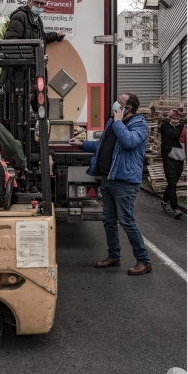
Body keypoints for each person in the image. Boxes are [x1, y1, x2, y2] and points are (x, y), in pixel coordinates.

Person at [69, 93, 152, 275]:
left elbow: (129, 142)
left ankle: (143, 261)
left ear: (128, 108)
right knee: (109, 221)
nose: (115, 104)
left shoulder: (139, 124)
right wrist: (82, 144)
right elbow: (102, 145)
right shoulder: (113, 122)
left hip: (125, 181)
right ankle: (114, 256)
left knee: (127, 221)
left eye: (120, 103)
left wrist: (118, 122)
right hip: (108, 178)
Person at [160, 109, 187, 219]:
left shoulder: (182, 128)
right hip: (168, 158)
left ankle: (165, 201)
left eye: (177, 119)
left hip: (179, 158)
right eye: (174, 119)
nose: (176, 121)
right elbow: (174, 134)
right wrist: (181, 126)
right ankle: (175, 209)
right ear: (170, 118)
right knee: (172, 182)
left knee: (173, 182)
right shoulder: (165, 127)